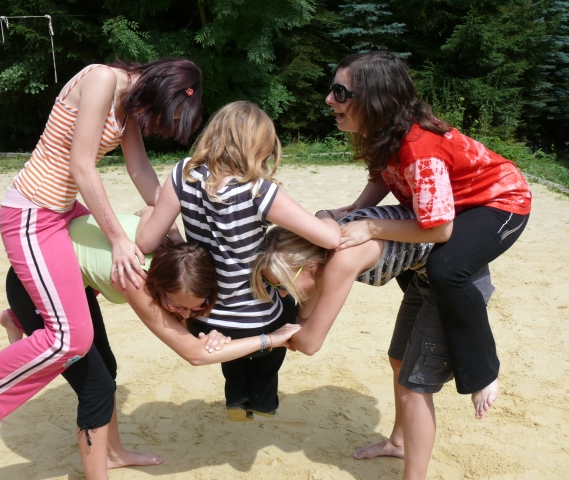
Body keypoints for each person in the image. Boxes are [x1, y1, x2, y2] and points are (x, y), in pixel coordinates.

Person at [0, 59, 203, 439]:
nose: (155, 123)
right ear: (160, 90)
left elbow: (139, 169)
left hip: (64, 209)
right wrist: (118, 238)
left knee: (96, 274)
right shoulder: (101, 79)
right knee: (73, 338)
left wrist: (171, 228)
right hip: (32, 213)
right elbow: (82, 166)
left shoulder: (129, 104)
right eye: (163, 116)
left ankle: (19, 318)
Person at [0, 212, 301, 480]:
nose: (185, 315)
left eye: (196, 307)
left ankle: (115, 453)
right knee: (95, 388)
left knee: (107, 369)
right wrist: (270, 339)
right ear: (159, 286)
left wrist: (213, 329)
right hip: (34, 286)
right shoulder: (137, 280)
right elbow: (193, 355)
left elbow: (148, 208)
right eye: (177, 306)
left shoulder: (173, 254)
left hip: (71, 281)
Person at [325, 51, 532, 419]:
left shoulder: (419, 148)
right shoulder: (384, 131)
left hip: (501, 202)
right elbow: (384, 175)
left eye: (340, 93)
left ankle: (483, 372)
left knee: (446, 269)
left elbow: (439, 228)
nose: (329, 99)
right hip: (456, 207)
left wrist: (369, 226)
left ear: (375, 100)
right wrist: (353, 210)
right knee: (420, 269)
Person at [250, 205, 495, 480]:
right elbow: (304, 320)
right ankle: (399, 443)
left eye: (283, 285)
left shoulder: (341, 260)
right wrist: (286, 332)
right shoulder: (318, 253)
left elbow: (310, 343)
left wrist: (271, 338)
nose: (284, 294)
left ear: (311, 266)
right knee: (399, 361)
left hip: (458, 283)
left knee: (415, 386)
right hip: (425, 275)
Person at [137, 101, 341, 421]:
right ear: (260, 145)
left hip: (206, 316)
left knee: (231, 335)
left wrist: (150, 215)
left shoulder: (183, 173)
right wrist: (327, 216)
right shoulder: (258, 190)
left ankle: (236, 396)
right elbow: (329, 239)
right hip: (258, 319)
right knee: (285, 306)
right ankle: (262, 399)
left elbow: (146, 241)